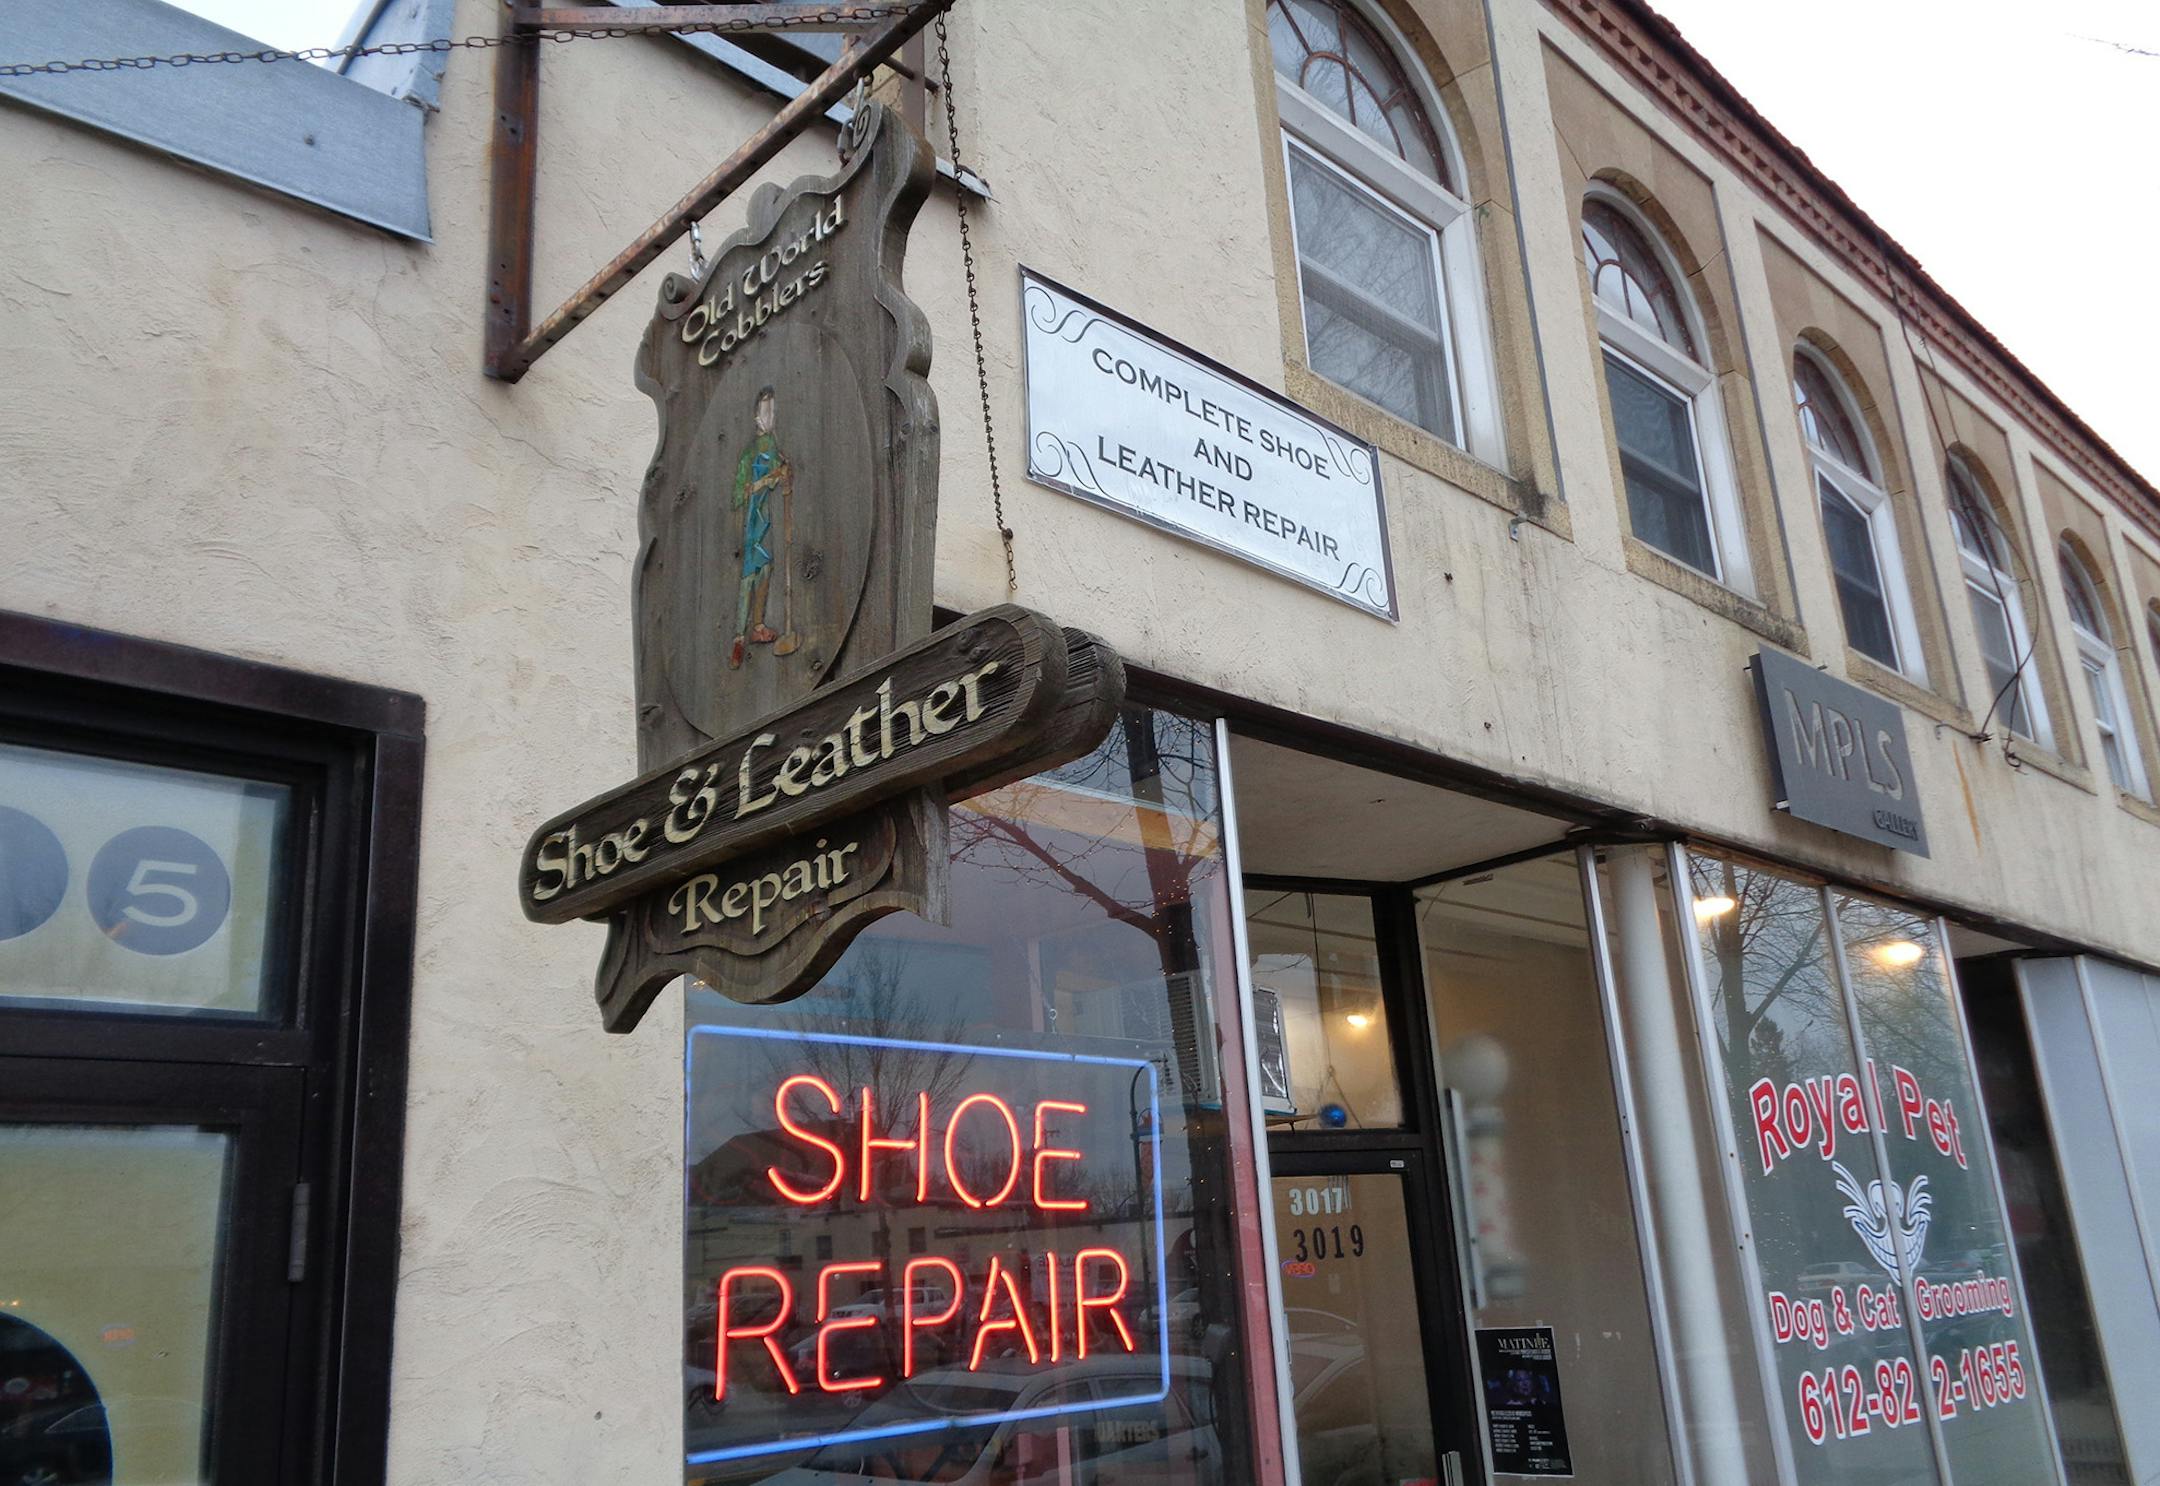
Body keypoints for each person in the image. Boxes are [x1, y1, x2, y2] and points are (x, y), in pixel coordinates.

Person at [729, 385, 798, 669]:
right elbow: (740, 491)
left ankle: (756, 627)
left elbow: (784, 471)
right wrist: (761, 482)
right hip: (752, 521)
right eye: (764, 410)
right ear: (756, 415)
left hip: (765, 518)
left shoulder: (773, 445)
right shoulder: (750, 453)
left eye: (772, 410)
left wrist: (783, 475)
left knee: (764, 570)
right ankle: (738, 637)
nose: (768, 415)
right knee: (750, 575)